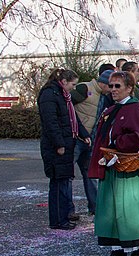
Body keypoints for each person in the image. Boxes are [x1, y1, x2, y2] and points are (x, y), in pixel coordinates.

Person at [87, 71, 139, 256]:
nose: (113, 90)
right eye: (111, 86)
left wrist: (116, 141)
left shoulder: (135, 110)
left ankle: (136, 251)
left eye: (117, 86)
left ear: (129, 88)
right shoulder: (110, 110)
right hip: (112, 168)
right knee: (112, 209)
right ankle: (117, 249)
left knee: (130, 211)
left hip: (130, 170)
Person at [37, 68, 90, 230]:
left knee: (63, 180)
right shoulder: (50, 95)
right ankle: (58, 220)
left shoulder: (62, 96)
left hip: (67, 142)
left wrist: (83, 133)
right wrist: (59, 144)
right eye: (73, 84)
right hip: (57, 146)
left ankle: (63, 217)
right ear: (64, 82)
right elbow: (51, 122)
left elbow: (72, 118)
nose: (74, 88)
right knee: (58, 183)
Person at [71, 67, 114, 216]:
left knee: (90, 174)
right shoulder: (85, 88)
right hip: (77, 139)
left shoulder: (104, 96)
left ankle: (95, 206)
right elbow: (68, 107)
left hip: (91, 140)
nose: (112, 90)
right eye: (111, 86)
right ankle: (69, 210)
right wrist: (79, 131)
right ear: (103, 84)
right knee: (69, 174)